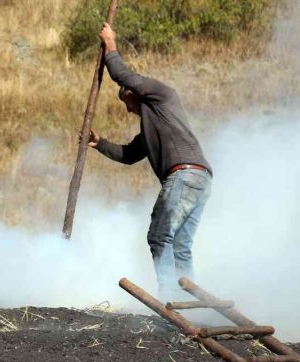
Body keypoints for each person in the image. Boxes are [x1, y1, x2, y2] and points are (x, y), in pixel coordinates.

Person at [84, 22, 213, 298]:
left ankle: (169, 297)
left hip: (184, 174)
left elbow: (121, 74)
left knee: (158, 236)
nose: (128, 109)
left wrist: (110, 44)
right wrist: (100, 144)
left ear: (133, 94)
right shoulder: (154, 124)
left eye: (127, 103)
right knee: (179, 245)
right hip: (200, 178)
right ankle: (189, 300)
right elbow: (130, 155)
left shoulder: (160, 93)